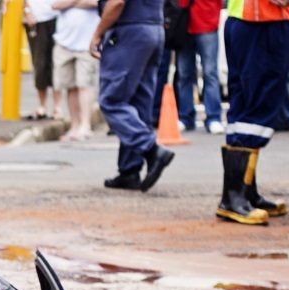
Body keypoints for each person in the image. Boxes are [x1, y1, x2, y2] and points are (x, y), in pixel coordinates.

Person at [215, 0, 289, 224]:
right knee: (258, 106)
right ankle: (236, 196)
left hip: (245, 22)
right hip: (263, 24)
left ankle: (242, 192)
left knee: (243, 106)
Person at [89, 0, 174, 191]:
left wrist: (98, 33)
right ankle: (129, 170)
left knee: (112, 101)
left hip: (129, 30)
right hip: (153, 28)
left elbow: (117, 2)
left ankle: (151, 150)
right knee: (139, 102)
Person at [173, 0, 221, 133]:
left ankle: (213, 117)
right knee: (184, 74)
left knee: (209, 73)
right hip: (184, 23)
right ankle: (186, 117)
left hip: (206, 22)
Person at [51, 0, 97, 140]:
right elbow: (55, 4)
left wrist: (69, 2)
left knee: (85, 84)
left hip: (87, 42)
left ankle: (85, 125)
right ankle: (74, 126)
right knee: (69, 86)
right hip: (64, 40)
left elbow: (97, 3)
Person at [23, 0, 59, 119]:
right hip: (36, 18)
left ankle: (57, 107)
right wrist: (27, 11)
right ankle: (42, 106)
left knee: (57, 63)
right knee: (40, 63)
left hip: (57, 15)